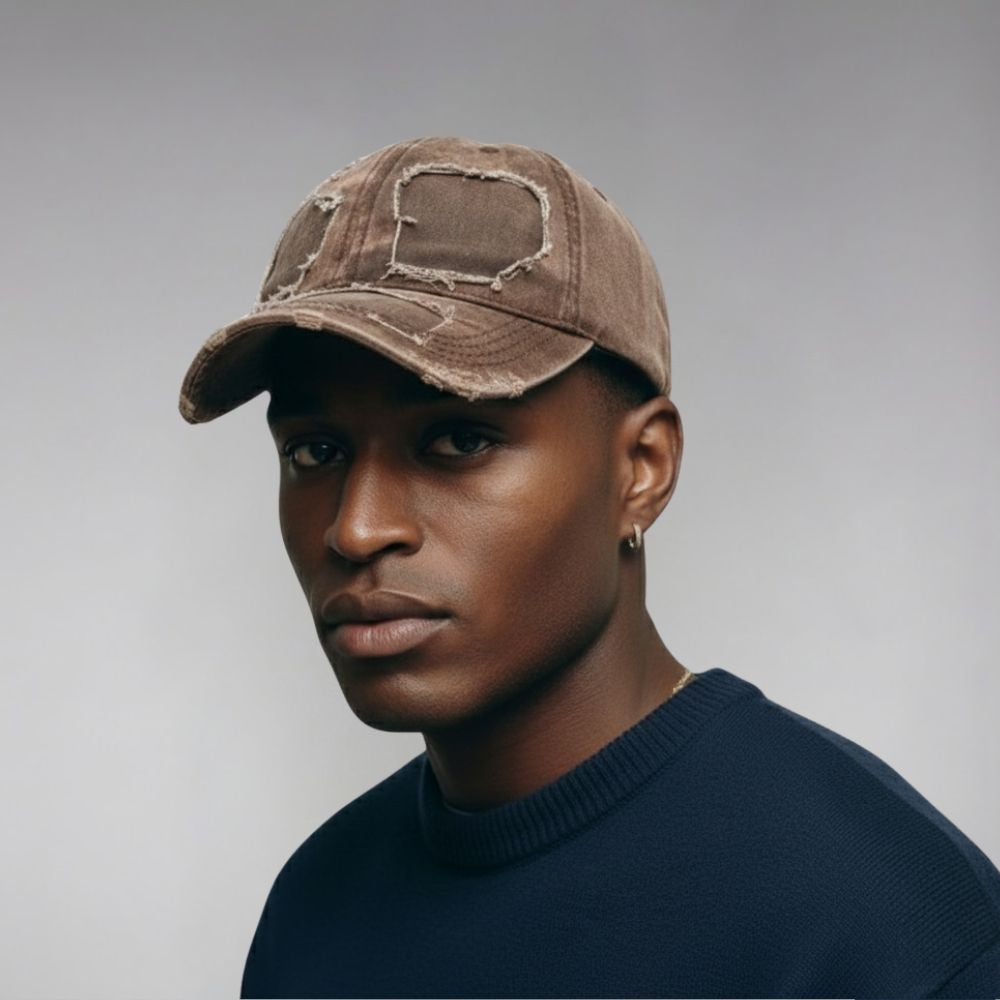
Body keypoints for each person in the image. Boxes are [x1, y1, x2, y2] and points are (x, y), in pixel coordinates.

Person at [179, 137, 1000, 999]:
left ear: (641, 469)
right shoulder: (318, 907)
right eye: (316, 451)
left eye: (458, 439)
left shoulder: (896, 932)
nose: (356, 528)